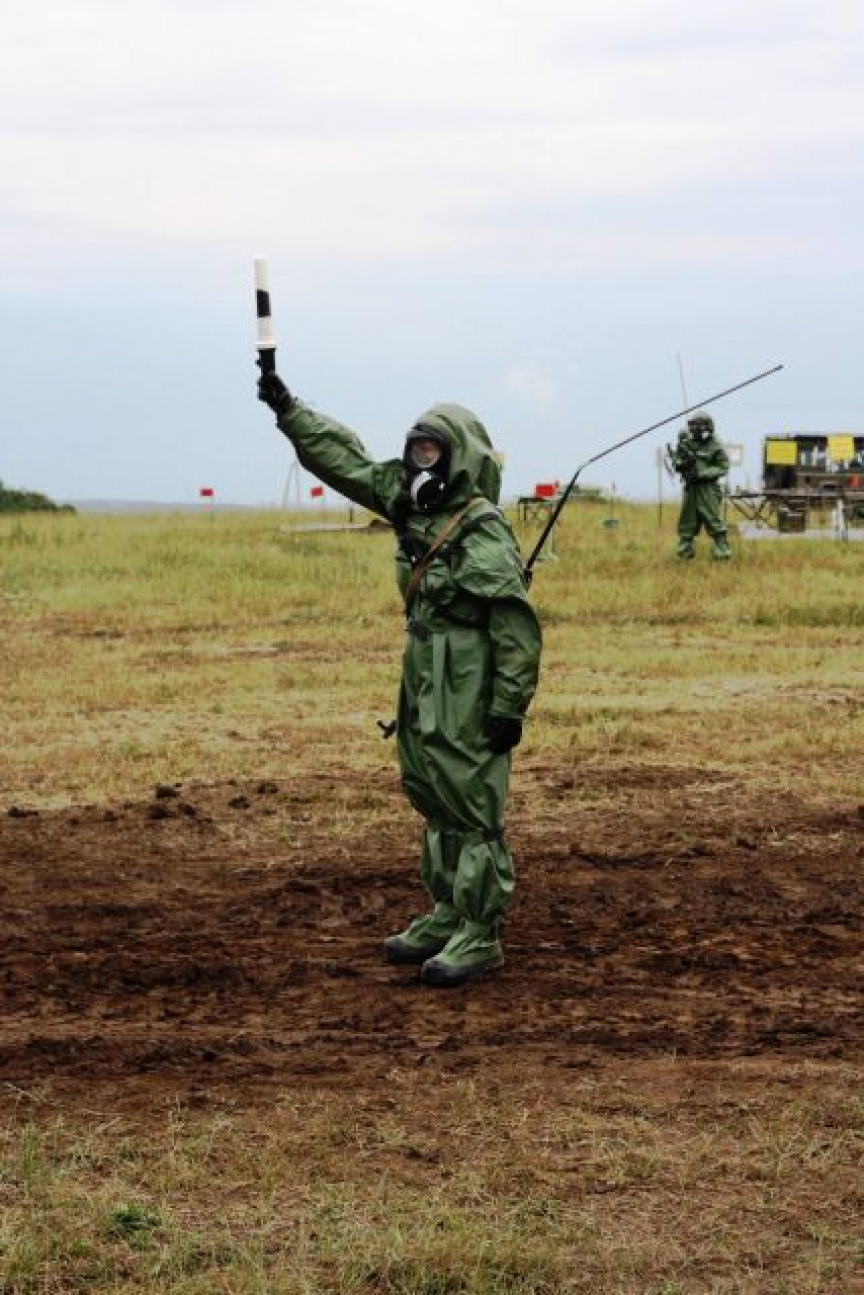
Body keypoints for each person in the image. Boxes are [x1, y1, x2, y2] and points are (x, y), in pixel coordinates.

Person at [257, 366, 542, 987]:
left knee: (469, 796)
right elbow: (347, 461)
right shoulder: (408, 500)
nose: (420, 462)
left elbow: (514, 625)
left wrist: (507, 706)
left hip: (466, 670)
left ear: (459, 458)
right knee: (430, 786)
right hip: (422, 662)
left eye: (433, 452)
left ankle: (480, 931)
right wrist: (289, 411)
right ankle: (447, 912)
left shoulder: (481, 529)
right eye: (417, 450)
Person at [669, 412, 732, 559]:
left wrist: (703, 473)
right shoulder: (686, 443)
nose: (696, 429)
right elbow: (677, 460)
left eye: (700, 425)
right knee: (687, 520)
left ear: (708, 426)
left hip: (708, 489)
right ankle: (685, 551)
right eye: (693, 425)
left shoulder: (715, 445)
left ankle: (722, 552)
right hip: (691, 488)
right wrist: (680, 464)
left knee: (712, 519)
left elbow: (723, 466)